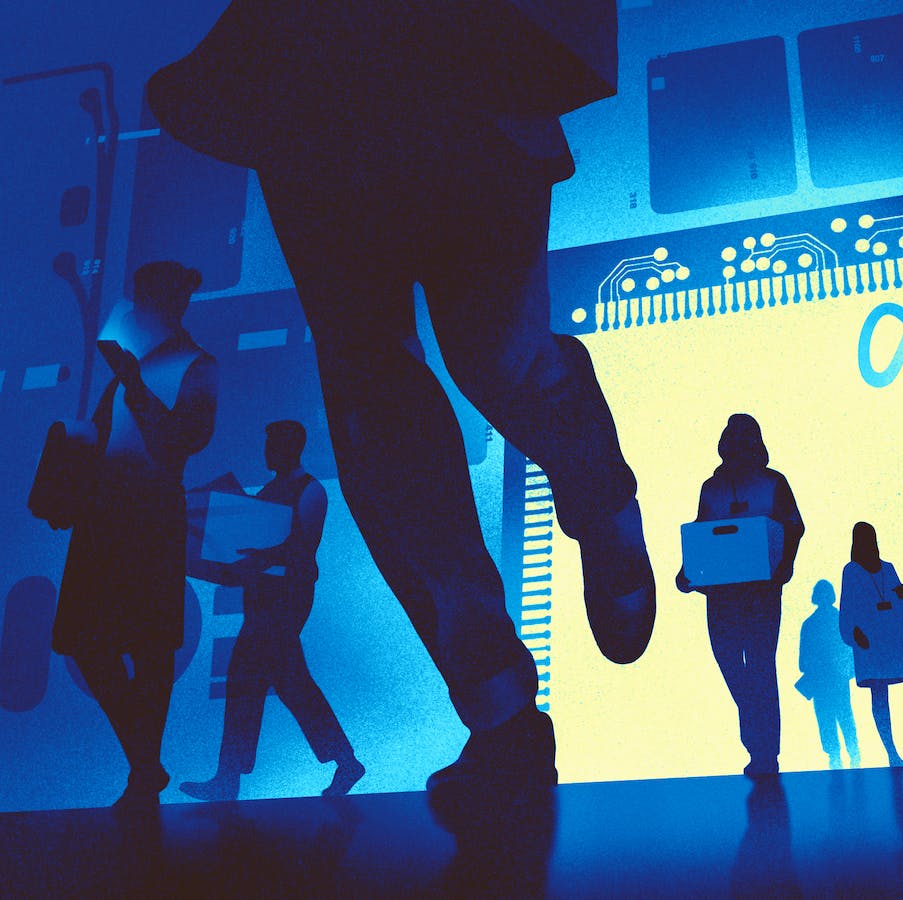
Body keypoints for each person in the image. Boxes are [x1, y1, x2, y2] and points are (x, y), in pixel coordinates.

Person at [145, 0, 654, 805]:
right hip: (359, 62)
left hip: (373, 59)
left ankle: (513, 679)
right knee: (423, 378)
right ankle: (510, 681)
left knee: (440, 374)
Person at [48, 260, 218, 809]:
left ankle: (144, 771)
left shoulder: (196, 364)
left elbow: (184, 441)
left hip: (150, 517)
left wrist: (135, 386)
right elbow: (105, 436)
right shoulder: (129, 362)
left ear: (170, 305)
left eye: (149, 301)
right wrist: (66, 484)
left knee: (150, 647)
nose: (140, 310)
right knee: (85, 642)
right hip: (103, 515)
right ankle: (146, 764)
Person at [180, 420, 363, 802]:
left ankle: (230, 778)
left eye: (271, 445)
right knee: (286, 683)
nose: (266, 452)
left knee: (250, 679)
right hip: (262, 597)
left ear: (289, 447)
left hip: (286, 599)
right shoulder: (268, 491)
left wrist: (258, 558)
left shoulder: (311, 490)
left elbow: (303, 547)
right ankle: (343, 762)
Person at [676, 414, 805, 776]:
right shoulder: (712, 488)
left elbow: (794, 526)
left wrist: (785, 565)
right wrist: (688, 571)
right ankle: (758, 739)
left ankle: (765, 753)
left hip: (761, 589)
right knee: (730, 662)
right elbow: (702, 531)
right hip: (722, 592)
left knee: (761, 666)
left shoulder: (774, 482)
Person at [838, 522, 903, 767]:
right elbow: (847, 609)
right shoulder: (851, 571)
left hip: (899, 639)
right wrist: (854, 636)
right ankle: (893, 755)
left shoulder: (888, 568)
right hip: (873, 645)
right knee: (880, 695)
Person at [796, 579, 859, 769]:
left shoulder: (810, 624)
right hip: (834, 679)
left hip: (826, 680)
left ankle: (841, 757)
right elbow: (851, 652)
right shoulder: (839, 619)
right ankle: (850, 756)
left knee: (830, 719)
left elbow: (803, 662)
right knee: (840, 718)